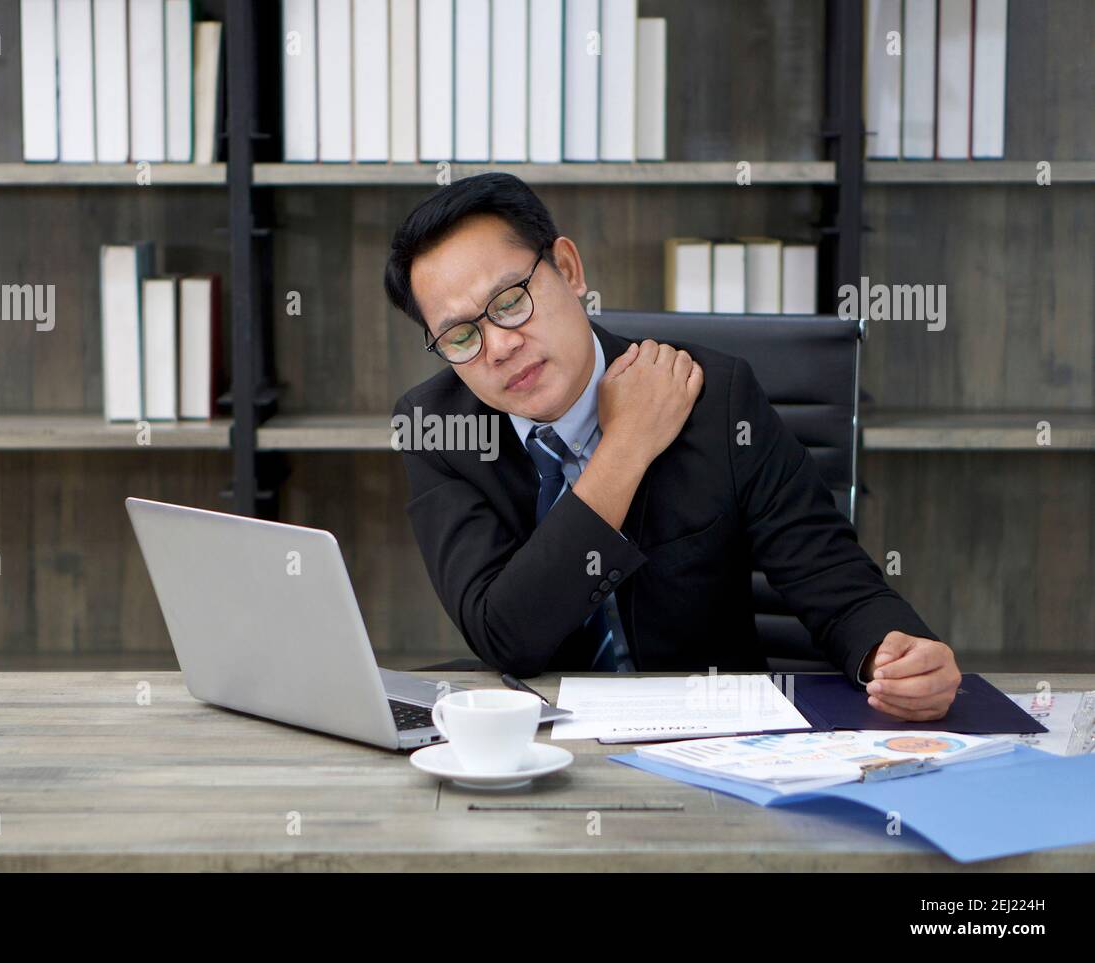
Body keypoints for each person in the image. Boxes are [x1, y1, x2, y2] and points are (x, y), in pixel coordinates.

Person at [383, 173, 961, 721]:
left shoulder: (717, 398)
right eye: (461, 336)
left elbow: (836, 585)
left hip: (707, 743)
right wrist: (627, 445)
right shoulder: (437, 427)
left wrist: (895, 655)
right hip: (534, 747)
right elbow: (508, 637)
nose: (500, 346)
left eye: (510, 300)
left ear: (567, 267)